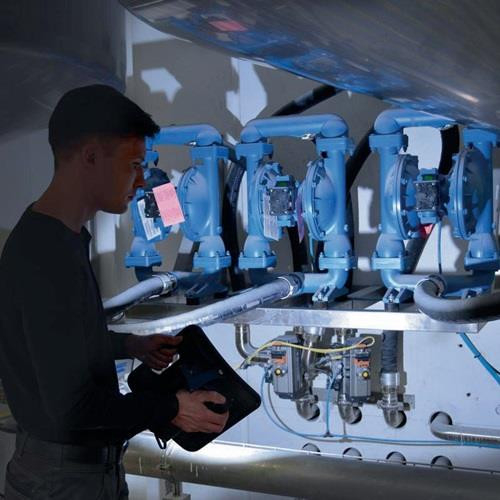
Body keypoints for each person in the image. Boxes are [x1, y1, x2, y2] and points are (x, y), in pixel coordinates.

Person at [0, 85, 229, 499]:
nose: (141, 180)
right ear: (90, 157)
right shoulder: (46, 255)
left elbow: (56, 346)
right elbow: (73, 411)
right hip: (61, 483)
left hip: (72, 474)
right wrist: (173, 408)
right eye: (134, 165)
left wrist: (130, 345)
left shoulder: (61, 237)